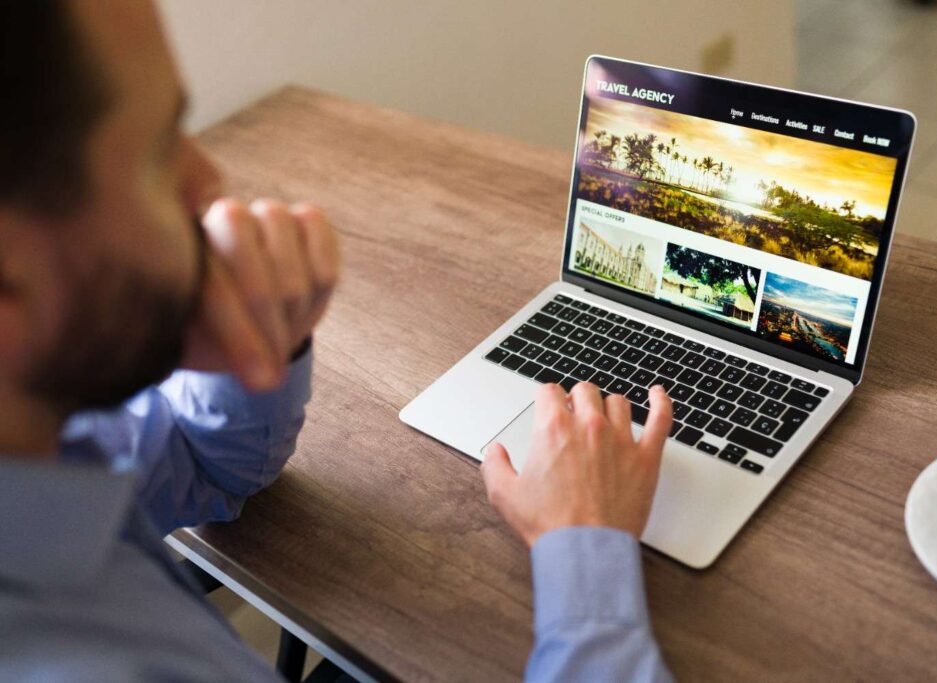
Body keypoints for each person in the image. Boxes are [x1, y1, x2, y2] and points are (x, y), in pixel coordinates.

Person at [0, 2, 674, 681]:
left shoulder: (43, 442)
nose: (208, 180)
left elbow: (203, 466)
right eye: (157, 147)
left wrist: (262, 350)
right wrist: (585, 551)